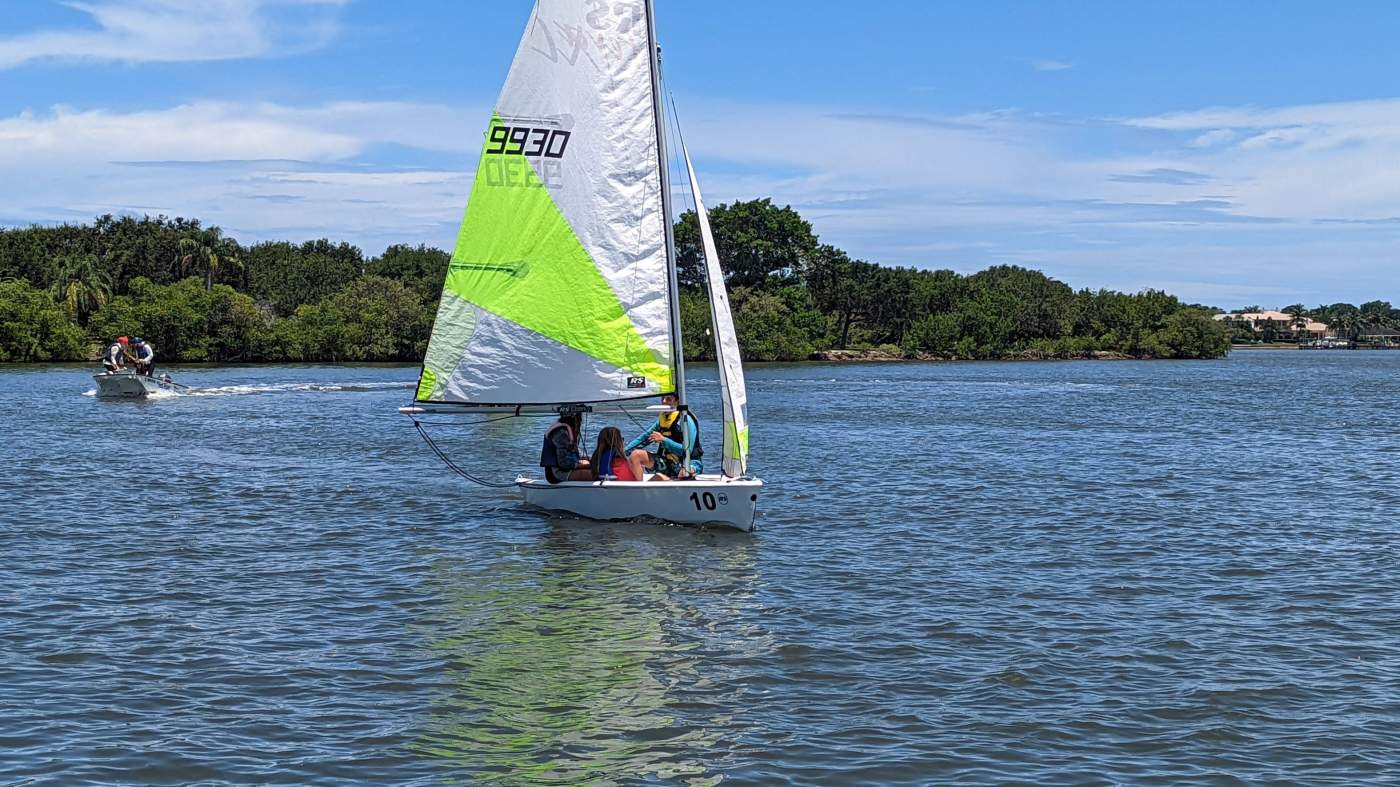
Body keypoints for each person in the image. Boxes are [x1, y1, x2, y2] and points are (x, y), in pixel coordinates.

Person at [625, 393, 703, 480]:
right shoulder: (662, 420)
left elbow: (687, 450)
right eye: (662, 398)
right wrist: (621, 453)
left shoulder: (686, 420)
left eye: (668, 399)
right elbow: (643, 439)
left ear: (678, 401)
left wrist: (663, 440)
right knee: (636, 455)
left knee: (684, 472)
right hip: (667, 462)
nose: (664, 401)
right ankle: (638, 490)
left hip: (689, 463)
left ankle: (678, 487)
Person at [539, 413, 591, 483]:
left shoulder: (569, 431)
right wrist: (586, 466)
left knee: (595, 467)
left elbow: (574, 454)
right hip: (558, 473)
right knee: (595, 474)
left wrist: (591, 459)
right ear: (576, 419)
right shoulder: (560, 433)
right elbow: (564, 464)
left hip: (567, 468)